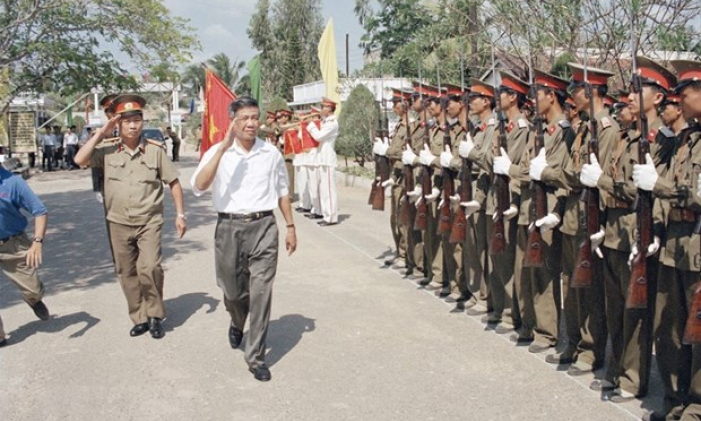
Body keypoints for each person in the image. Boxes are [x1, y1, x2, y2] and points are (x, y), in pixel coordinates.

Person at [191, 96, 296, 382]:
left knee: (261, 291)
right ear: (233, 122)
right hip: (229, 228)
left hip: (264, 226)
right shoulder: (218, 151)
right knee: (234, 293)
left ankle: (256, 357)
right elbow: (199, 186)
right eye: (245, 119)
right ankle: (237, 321)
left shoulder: (270, 153)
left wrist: (290, 226)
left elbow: (283, 191)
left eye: (255, 117)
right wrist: (223, 149)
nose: (251, 123)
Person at [74, 94, 187, 339]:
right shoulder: (107, 151)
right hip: (117, 222)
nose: (133, 125)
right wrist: (103, 131)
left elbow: (174, 183)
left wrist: (180, 214)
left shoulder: (155, 151)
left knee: (149, 267)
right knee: (126, 271)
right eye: (127, 122)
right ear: (118, 124)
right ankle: (140, 317)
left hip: (149, 221)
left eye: (137, 120)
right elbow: (79, 159)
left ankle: (156, 315)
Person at [0, 163, 50, 347]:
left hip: (12, 244)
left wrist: (37, 243)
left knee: (33, 289)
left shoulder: (13, 182)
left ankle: (33, 299)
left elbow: (40, 211)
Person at [306, 97, 340, 226]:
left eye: (323, 107)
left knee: (329, 191)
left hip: (328, 159)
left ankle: (331, 217)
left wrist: (311, 126)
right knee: (324, 189)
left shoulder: (332, 123)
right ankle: (326, 214)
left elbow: (319, 136)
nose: (321, 110)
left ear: (330, 109)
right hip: (322, 158)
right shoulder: (326, 122)